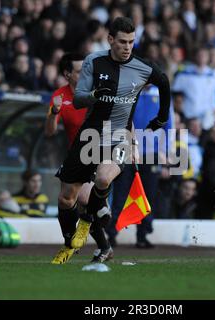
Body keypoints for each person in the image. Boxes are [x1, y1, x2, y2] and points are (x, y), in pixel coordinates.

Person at [55, 17, 170, 258]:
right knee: (66, 198)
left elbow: (164, 82)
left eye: (131, 42)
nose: (127, 47)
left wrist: (161, 118)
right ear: (110, 40)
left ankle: (87, 221)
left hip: (120, 135)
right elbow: (78, 100)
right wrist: (95, 94)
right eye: (122, 42)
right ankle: (70, 244)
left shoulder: (143, 67)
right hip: (90, 135)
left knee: (104, 178)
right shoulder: (94, 62)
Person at [46, 53, 113, 264]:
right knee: (66, 200)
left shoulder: (98, 91)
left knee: (85, 199)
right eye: (80, 70)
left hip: (100, 151)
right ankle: (95, 246)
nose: (87, 73)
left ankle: (99, 212)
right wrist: (53, 113)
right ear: (67, 74)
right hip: (77, 156)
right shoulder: (59, 95)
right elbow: (49, 132)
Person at [106, 84, 174, 248]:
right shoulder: (127, 94)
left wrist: (165, 152)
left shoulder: (162, 96)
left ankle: (142, 235)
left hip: (152, 155)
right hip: (127, 152)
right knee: (121, 194)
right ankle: (112, 234)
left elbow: (168, 125)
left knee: (147, 196)